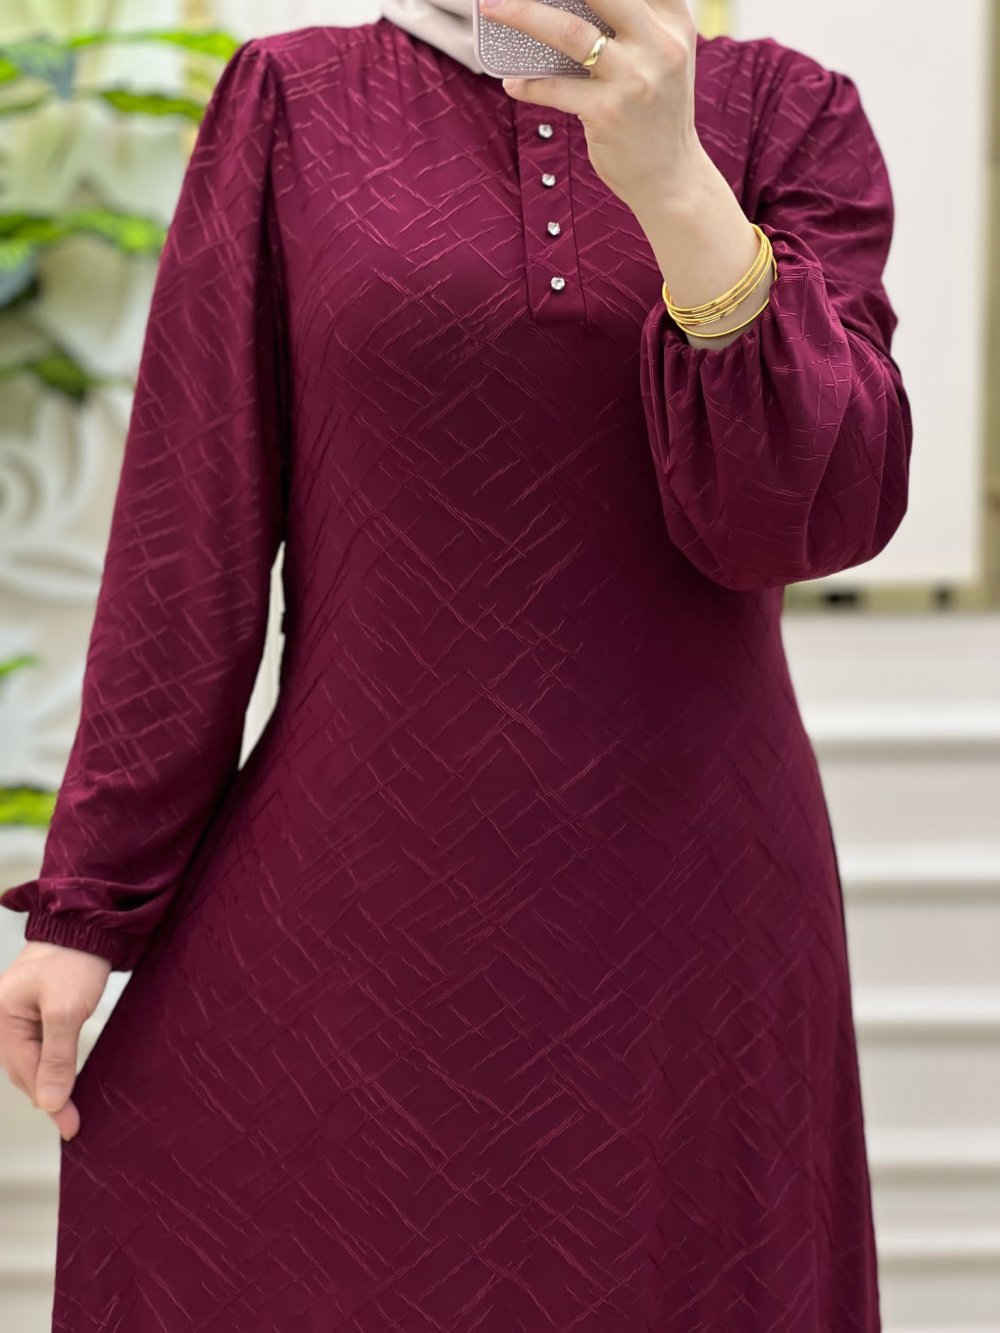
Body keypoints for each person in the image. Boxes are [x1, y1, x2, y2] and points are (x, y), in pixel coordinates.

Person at [0, 1, 912, 1327]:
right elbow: (190, 526)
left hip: (688, 929)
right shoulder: (295, 103)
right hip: (348, 916)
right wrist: (87, 907)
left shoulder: (790, 117)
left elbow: (795, 519)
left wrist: (675, 183)